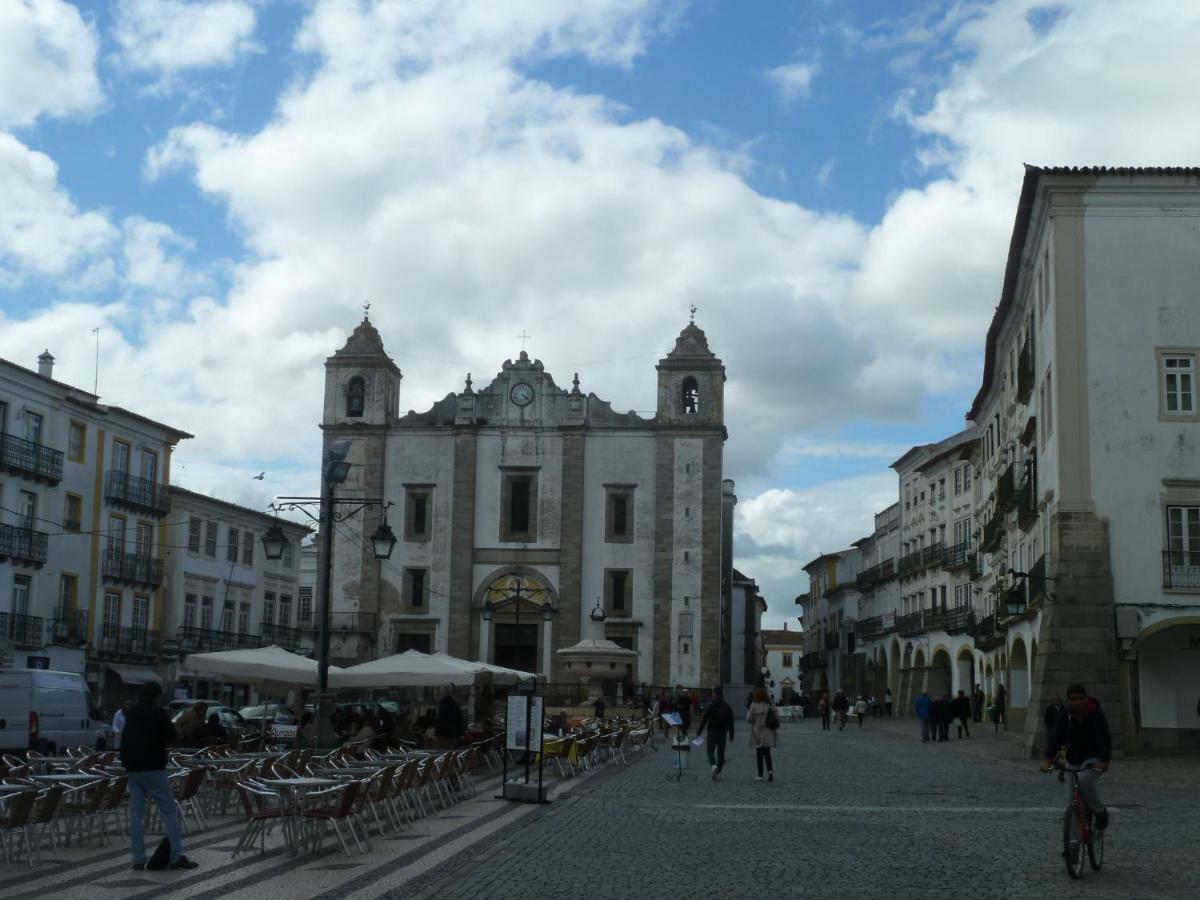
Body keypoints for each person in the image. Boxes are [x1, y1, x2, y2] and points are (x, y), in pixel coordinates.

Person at [120, 681, 198, 871]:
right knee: (169, 811)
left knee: (136, 814)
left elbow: (125, 738)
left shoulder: (132, 713)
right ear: (157, 695)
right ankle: (175, 856)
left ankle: (138, 859)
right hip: (154, 768)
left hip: (133, 768)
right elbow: (171, 735)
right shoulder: (159, 713)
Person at [1040, 684, 1112, 831]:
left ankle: (1099, 812)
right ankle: (1072, 848)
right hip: (1073, 759)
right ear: (1068, 701)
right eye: (1073, 699)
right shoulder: (1065, 715)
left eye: (1080, 698)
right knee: (1072, 801)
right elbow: (1055, 737)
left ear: (1085, 699)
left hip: (1093, 758)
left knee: (1084, 780)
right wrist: (1047, 759)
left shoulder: (1095, 713)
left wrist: (1104, 761)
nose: (1077, 702)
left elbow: (1104, 737)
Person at [695, 685, 735, 779]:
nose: (712, 695)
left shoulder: (711, 706)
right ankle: (719, 770)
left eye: (713, 693)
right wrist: (731, 734)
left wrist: (699, 731)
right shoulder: (727, 706)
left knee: (710, 751)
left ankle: (714, 766)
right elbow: (731, 721)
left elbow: (704, 720)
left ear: (716, 694)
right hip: (723, 733)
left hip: (712, 732)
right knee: (721, 753)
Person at [746, 687, 779, 781]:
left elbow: (749, 719)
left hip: (758, 733)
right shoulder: (770, 705)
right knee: (768, 754)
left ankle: (760, 775)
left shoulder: (753, 705)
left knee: (759, 754)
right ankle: (770, 772)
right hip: (768, 732)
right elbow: (777, 718)